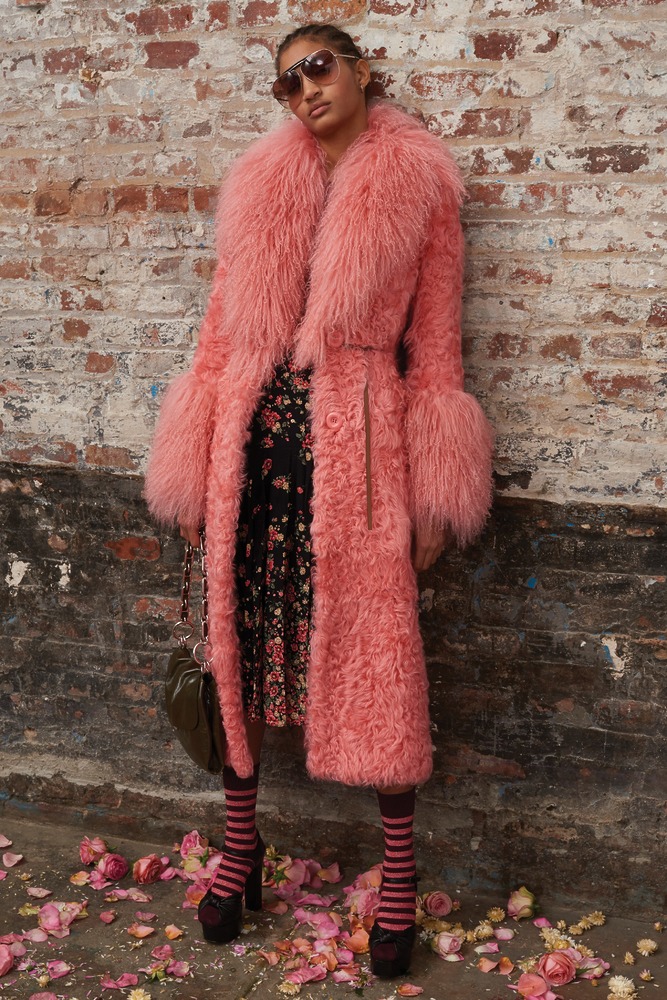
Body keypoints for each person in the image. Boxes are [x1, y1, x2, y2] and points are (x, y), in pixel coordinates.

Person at [144, 22, 494, 979]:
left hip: (361, 451)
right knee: (239, 650)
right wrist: (192, 465)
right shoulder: (260, 183)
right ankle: (240, 848)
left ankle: (397, 873)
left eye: (318, 67)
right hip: (251, 451)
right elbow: (220, 338)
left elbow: (438, 350)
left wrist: (434, 492)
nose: (304, 89)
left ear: (361, 69)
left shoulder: (419, 182)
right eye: (285, 82)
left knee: (380, 659)